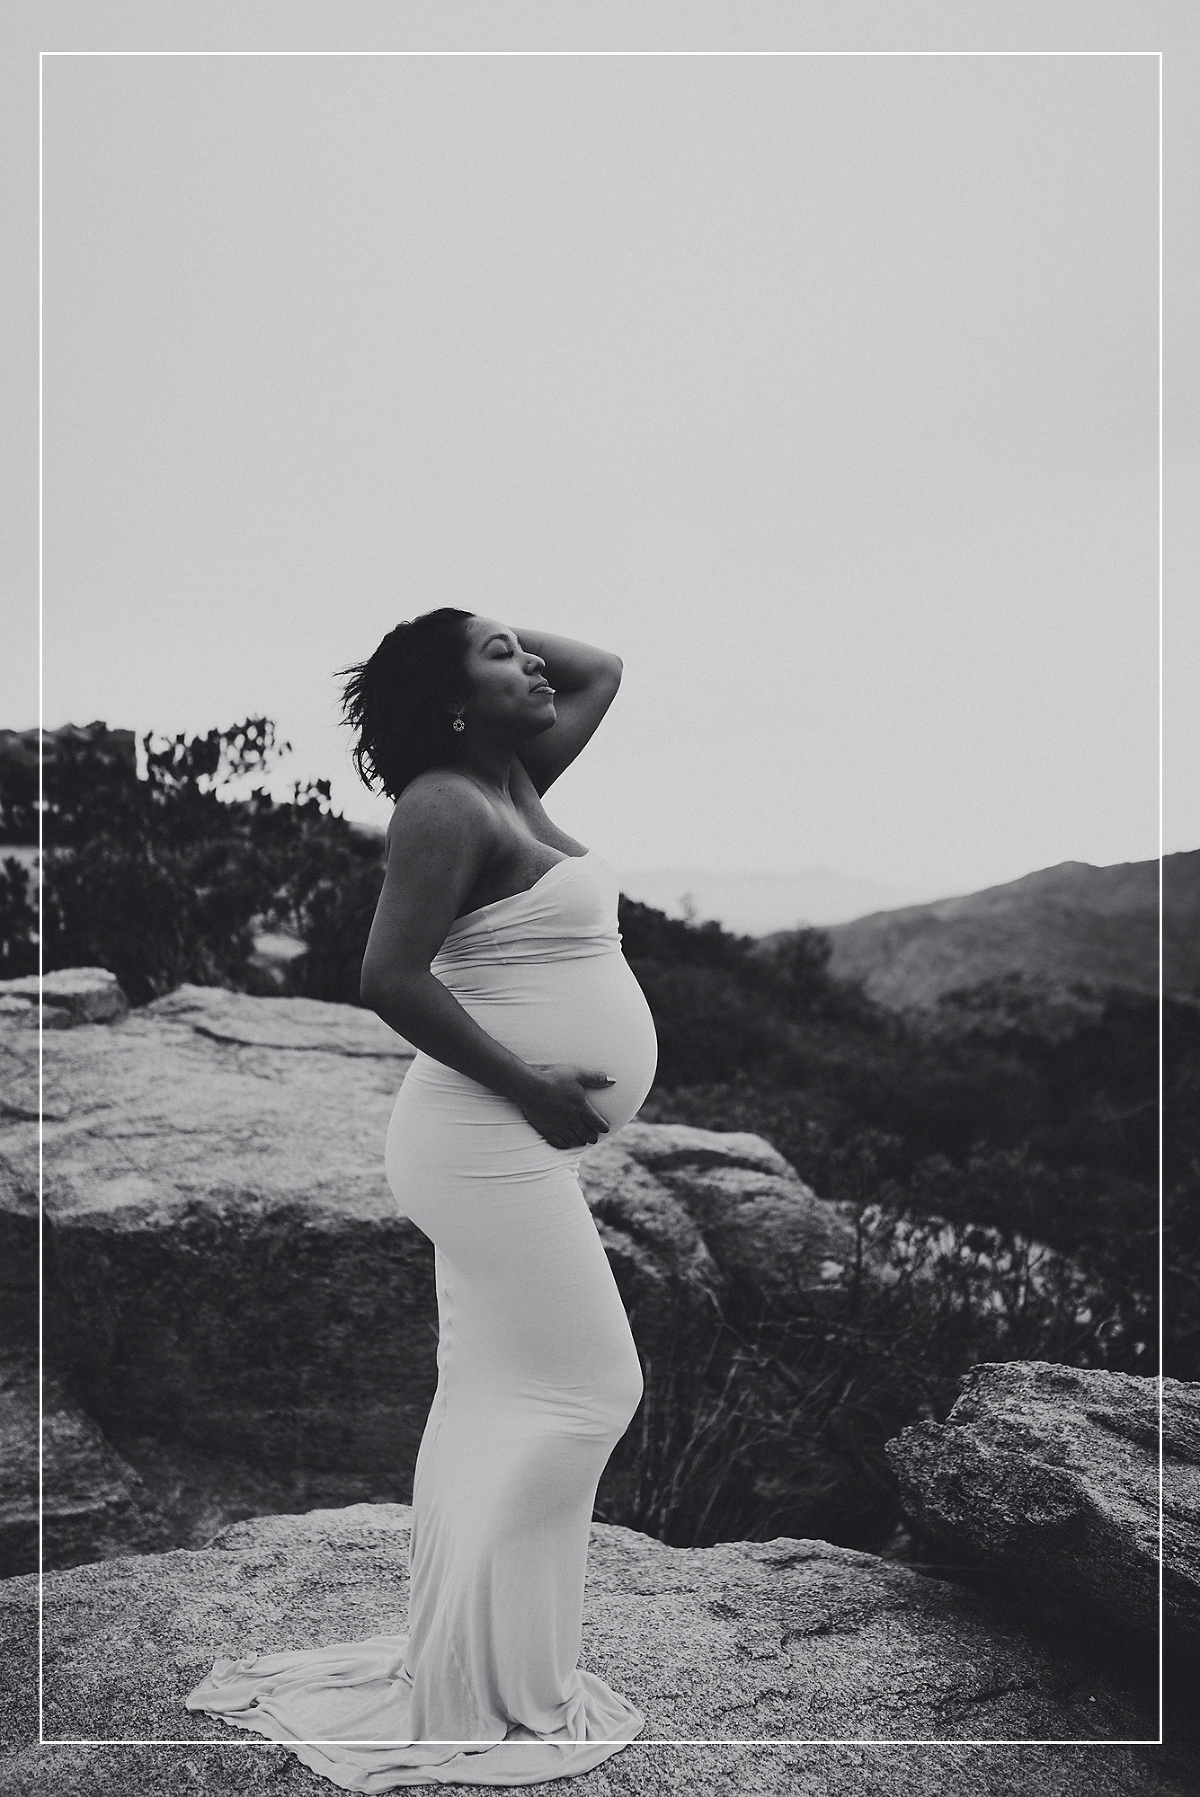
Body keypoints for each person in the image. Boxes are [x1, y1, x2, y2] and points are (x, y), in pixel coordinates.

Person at [186, 608, 658, 1788]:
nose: (535, 665)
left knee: (495, 1392)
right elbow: (386, 979)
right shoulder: (446, 801)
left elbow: (604, 665)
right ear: (451, 704)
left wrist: (474, 628)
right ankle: (481, 1675)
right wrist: (533, 1089)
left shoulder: (514, 778)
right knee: (596, 1385)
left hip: (510, 1139)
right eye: (504, 658)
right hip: (481, 1136)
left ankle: (471, 1668)